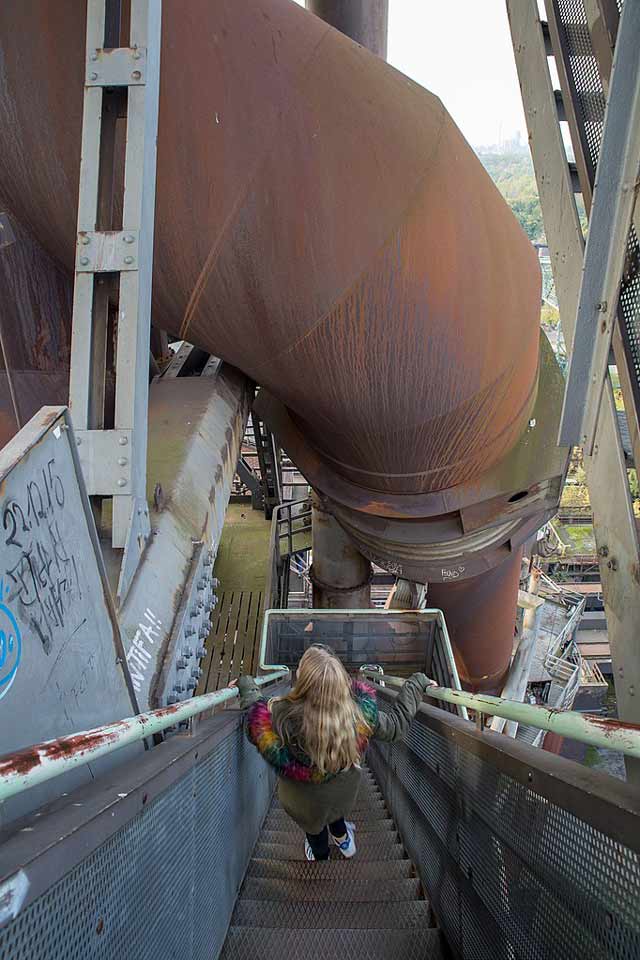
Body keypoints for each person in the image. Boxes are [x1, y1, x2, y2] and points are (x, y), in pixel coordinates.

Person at [236, 644, 436, 862]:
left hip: (302, 802)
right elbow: (396, 726)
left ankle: (321, 856)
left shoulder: (281, 716)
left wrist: (247, 687)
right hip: (342, 793)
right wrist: (417, 684)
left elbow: (256, 725)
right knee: (334, 812)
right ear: (341, 683)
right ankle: (343, 840)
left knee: (314, 829)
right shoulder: (358, 715)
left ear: (302, 681)